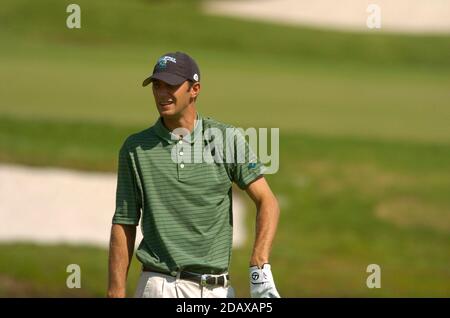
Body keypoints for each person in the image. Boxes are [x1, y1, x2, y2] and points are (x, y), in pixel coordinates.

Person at [107, 51, 281, 298]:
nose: (162, 93)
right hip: (159, 285)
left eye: (172, 85)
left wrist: (259, 262)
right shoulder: (135, 148)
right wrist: (115, 292)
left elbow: (268, 201)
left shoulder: (225, 138)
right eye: (157, 85)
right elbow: (124, 222)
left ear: (195, 89)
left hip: (216, 290)